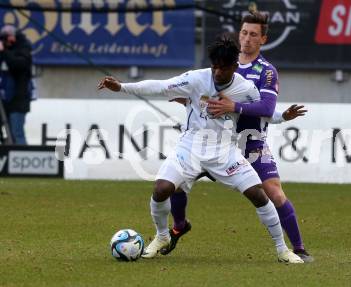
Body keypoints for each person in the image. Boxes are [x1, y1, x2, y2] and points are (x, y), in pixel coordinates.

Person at [98, 34, 303, 264]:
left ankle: (282, 250)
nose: (217, 72)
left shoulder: (245, 89)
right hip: (191, 145)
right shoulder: (196, 79)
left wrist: (282, 117)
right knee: (161, 188)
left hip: (224, 150)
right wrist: (122, 87)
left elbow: (262, 111)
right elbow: (161, 87)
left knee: (258, 195)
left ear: (234, 66)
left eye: (222, 68)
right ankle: (163, 236)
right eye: (214, 66)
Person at [166, 11, 314, 263]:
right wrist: (190, 101)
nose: (247, 39)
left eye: (253, 34)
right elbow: (204, 98)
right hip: (212, 141)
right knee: (174, 184)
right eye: (244, 32)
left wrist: (278, 115)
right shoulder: (220, 64)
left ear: (263, 39)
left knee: (274, 193)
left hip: (250, 142)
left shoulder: (266, 72)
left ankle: (298, 249)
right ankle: (179, 225)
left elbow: (265, 109)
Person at [0, 24, 32, 145]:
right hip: (5, 100)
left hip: (18, 100)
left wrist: (4, 51)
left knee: (17, 133)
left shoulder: (23, 48)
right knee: (8, 135)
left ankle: (22, 159)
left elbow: (18, 65)